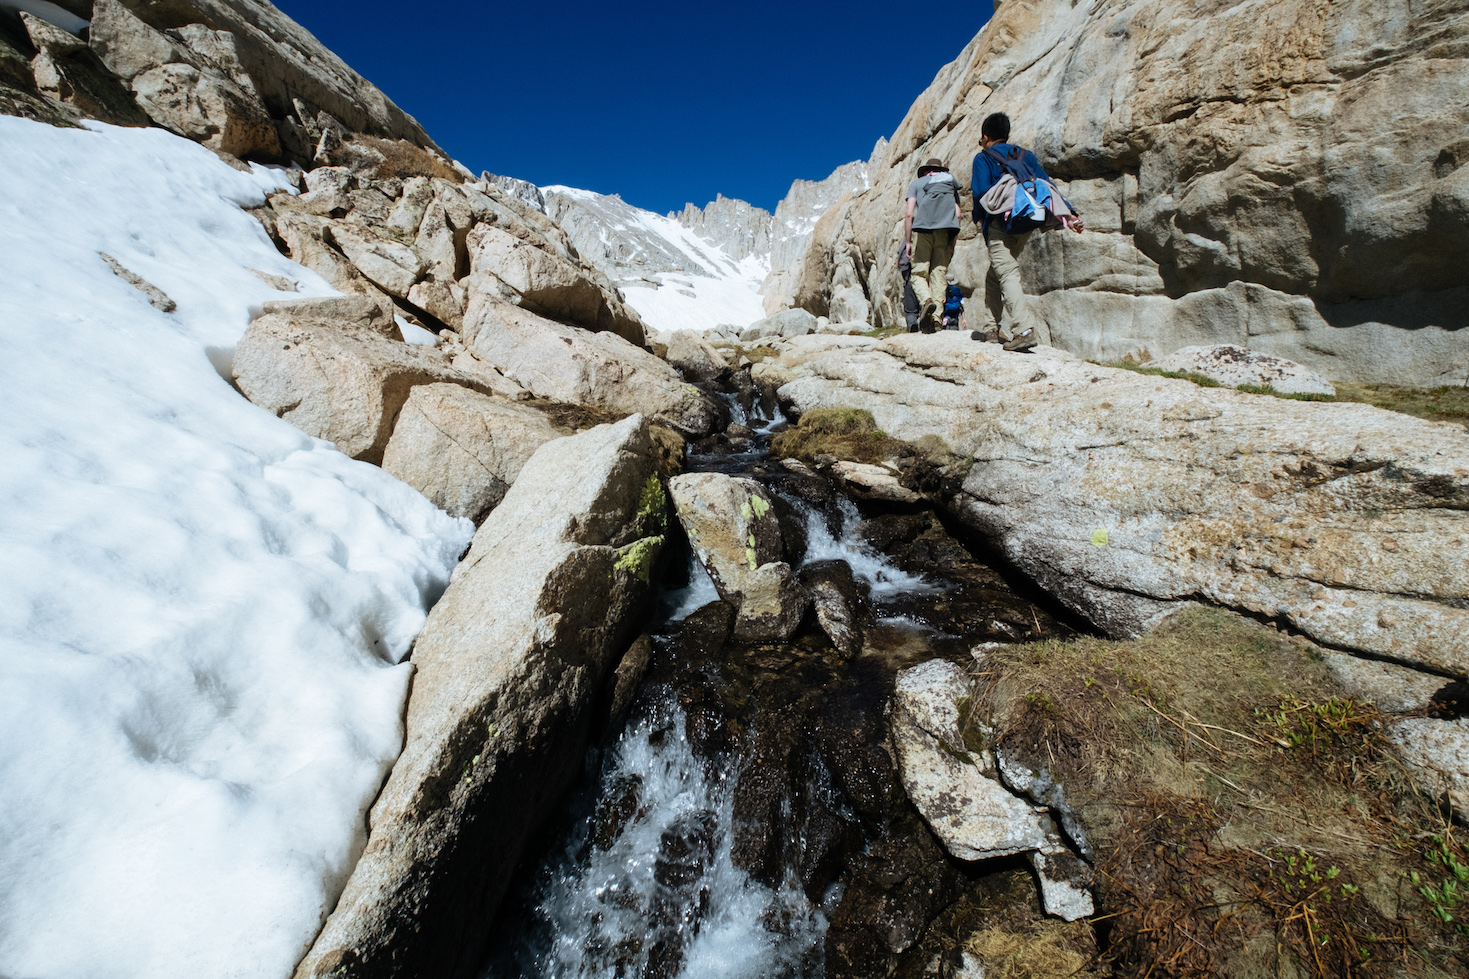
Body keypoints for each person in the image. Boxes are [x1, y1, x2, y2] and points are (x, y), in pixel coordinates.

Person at [970, 112, 1083, 352]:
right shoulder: (1024, 155)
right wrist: (1070, 214)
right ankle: (991, 328)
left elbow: (980, 193)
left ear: (986, 137)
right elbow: (1047, 184)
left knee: (1007, 272)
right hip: (1026, 222)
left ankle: (1023, 329)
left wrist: (979, 221)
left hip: (999, 223)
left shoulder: (983, 158)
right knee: (995, 274)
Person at [903, 157, 962, 330]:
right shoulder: (950, 183)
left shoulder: (917, 184)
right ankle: (937, 319)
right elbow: (958, 214)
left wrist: (908, 241)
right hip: (945, 231)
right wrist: (953, 240)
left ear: (925, 171)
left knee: (919, 273)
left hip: (923, 231)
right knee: (939, 273)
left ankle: (926, 300)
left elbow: (909, 214)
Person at [897, 240, 921, 332]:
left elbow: (901, 262)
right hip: (926, 280)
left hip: (910, 279)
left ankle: (912, 325)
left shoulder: (907, 242)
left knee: (911, 309)